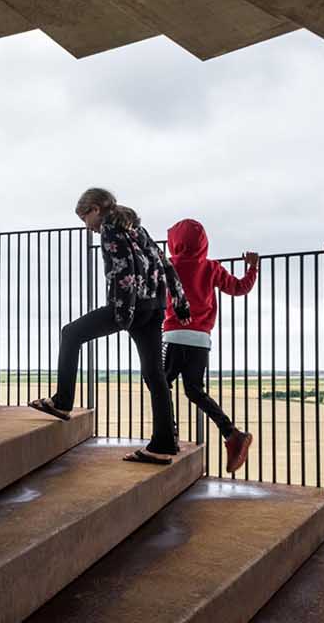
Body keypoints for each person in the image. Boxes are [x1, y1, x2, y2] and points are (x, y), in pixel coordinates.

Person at [30, 187, 190, 464]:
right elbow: (166, 265)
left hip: (129, 307)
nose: (86, 226)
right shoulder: (137, 229)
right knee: (155, 375)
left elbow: (122, 270)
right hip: (154, 308)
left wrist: (123, 314)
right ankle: (164, 443)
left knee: (70, 334)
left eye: (84, 219)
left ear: (95, 209)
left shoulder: (110, 229)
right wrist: (180, 302)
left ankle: (62, 402)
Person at [164, 218, 260, 475]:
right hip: (200, 340)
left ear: (175, 242)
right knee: (194, 391)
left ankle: (167, 434)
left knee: (159, 381)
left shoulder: (169, 266)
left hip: (173, 336)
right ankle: (232, 434)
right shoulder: (211, 268)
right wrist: (252, 268)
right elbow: (240, 288)